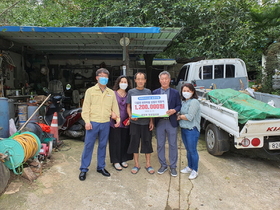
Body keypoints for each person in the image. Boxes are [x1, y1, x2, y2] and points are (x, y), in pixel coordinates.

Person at [79, 68, 120, 181]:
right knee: (89, 145)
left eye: (106, 77)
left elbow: (115, 108)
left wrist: (118, 119)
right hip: (92, 122)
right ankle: (83, 169)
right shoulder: (90, 91)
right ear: (97, 78)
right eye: (101, 76)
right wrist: (87, 121)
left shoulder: (111, 93)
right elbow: (85, 108)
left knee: (103, 145)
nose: (104, 78)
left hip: (105, 123)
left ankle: (101, 167)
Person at [152, 71, 181, 177]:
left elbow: (179, 105)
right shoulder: (154, 93)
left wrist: (174, 110)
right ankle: (163, 165)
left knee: (173, 144)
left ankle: (173, 166)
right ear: (159, 80)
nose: (164, 81)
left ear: (169, 80)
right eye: (162, 79)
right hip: (160, 122)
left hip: (171, 121)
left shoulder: (175, 92)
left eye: (166, 79)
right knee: (160, 144)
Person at [126, 72, 154, 174]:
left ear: (145, 80)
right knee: (134, 143)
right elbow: (128, 106)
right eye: (138, 79)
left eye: (142, 79)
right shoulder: (131, 92)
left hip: (146, 123)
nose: (140, 81)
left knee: (147, 142)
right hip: (135, 123)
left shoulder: (148, 92)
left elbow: (151, 107)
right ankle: (136, 164)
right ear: (135, 80)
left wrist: (151, 121)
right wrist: (130, 116)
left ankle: (148, 164)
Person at [109, 75, 133, 171]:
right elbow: (108, 107)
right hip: (115, 122)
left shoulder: (129, 94)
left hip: (126, 122)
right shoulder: (112, 93)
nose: (123, 84)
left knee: (124, 140)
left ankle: (123, 159)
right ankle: (115, 161)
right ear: (118, 83)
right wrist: (113, 115)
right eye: (122, 81)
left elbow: (131, 107)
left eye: (125, 82)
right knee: (115, 141)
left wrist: (130, 119)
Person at [177, 83, 201, 180]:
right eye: (184, 91)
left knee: (193, 150)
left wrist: (178, 117)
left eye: (188, 91)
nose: (186, 93)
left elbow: (190, 117)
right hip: (184, 129)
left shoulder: (194, 102)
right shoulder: (184, 101)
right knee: (188, 150)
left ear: (192, 91)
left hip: (192, 129)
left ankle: (195, 170)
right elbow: (181, 112)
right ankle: (189, 167)